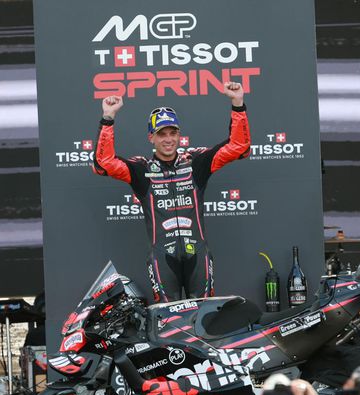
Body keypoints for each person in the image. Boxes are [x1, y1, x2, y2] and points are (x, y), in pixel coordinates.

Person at [92, 84, 250, 302]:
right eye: (162, 134)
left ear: (179, 135)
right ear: (151, 137)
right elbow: (103, 164)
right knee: (167, 318)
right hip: (162, 259)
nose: (168, 139)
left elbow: (239, 147)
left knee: (204, 314)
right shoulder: (142, 169)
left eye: (173, 133)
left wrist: (237, 104)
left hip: (198, 255)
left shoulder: (195, 162)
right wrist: (108, 118)